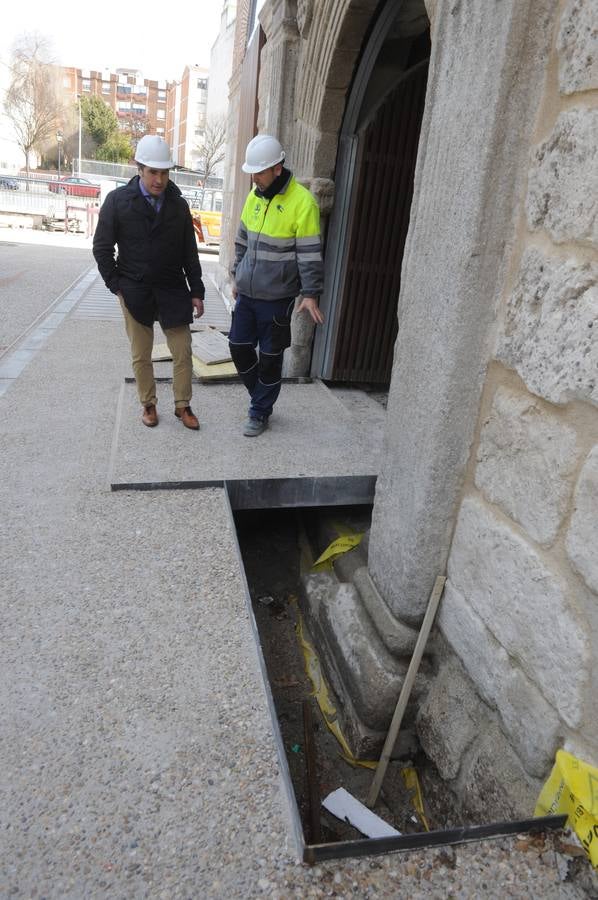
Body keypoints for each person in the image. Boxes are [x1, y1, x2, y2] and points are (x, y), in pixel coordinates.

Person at [93, 134, 204, 430]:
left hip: (172, 288)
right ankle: (149, 405)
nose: (159, 180)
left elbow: (189, 252)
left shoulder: (178, 206)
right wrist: (116, 284)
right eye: (153, 172)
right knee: (141, 354)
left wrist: (197, 291)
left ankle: (183, 406)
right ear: (139, 168)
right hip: (135, 288)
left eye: (164, 173)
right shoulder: (118, 202)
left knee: (182, 350)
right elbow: (102, 248)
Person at [229, 134, 324, 437]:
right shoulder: (253, 197)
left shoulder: (303, 203)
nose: (254, 178)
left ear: (277, 169)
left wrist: (310, 293)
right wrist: (236, 274)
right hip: (247, 292)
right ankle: (262, 396)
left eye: (259, 172)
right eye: (253, 172)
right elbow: (242, 241)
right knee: (238, 346)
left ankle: (259, 412)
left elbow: (309, 253)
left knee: (270, 358)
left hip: (277, 298)